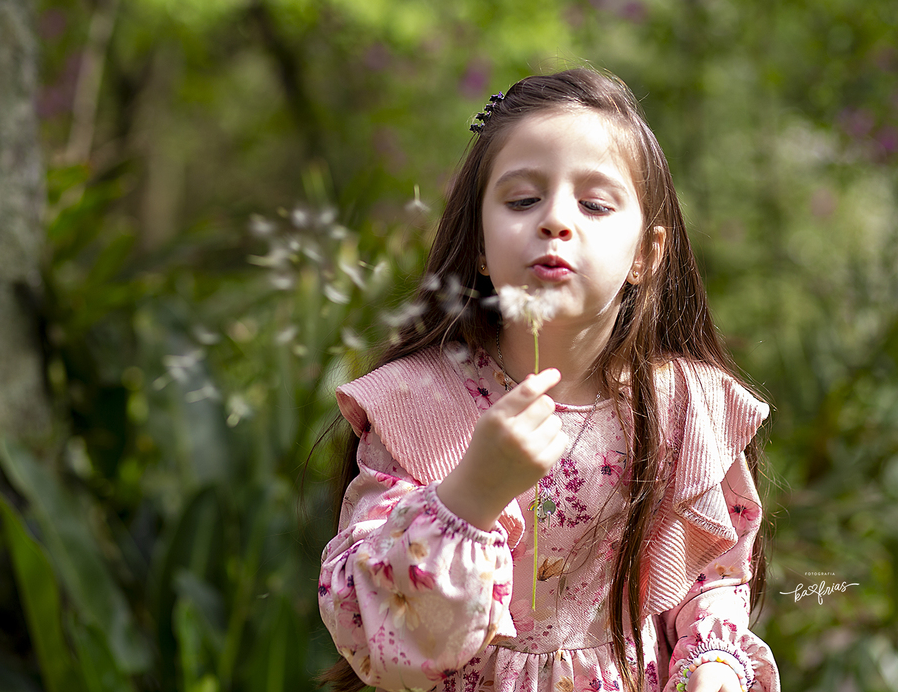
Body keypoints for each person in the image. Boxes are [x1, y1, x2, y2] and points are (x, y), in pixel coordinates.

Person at [317, 68, 780, 692]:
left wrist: (713, 662)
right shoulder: (416, 406)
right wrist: (472, 494)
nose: (556, 220)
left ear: (647, 253)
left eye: (594, 204)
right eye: (521, 201)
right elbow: (379, 636)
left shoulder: (686, 407)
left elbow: (710, 575)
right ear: (480, 246)